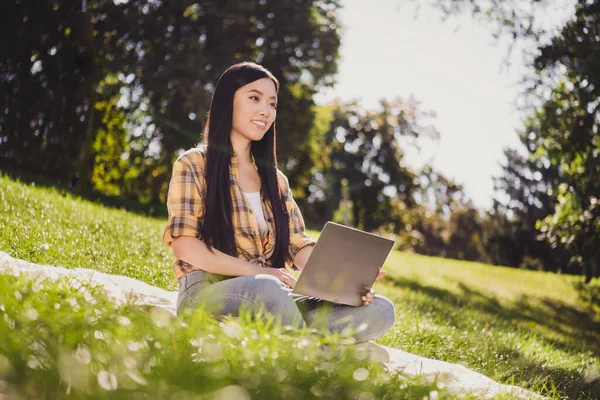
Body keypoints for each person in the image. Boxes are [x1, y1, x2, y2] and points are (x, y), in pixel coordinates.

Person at [163, 61, 395, 343]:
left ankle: (293, 336)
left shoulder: (276, 180)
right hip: (209, 293)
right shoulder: (194, 163)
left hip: (276, 298)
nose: (266, 110)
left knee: (380, 310)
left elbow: (297, 244)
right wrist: (262, 273)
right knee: (267, 290)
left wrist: (344, 279)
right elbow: (185, 246)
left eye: (272, 103)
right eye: (254, 98)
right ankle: (303, 354)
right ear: (227, 102)